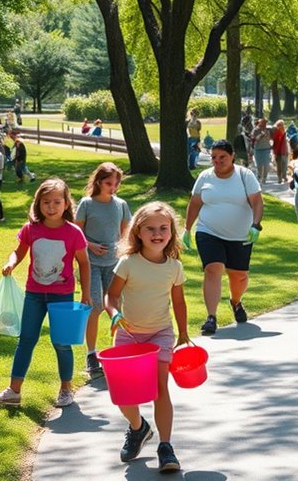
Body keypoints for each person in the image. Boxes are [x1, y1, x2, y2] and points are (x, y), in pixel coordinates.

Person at [0, 178, 90, 408]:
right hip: (34, 294)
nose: (51, 207)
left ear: (66, 204)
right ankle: (13, 392)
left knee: (62, 343)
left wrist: (86, 292)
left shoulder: (73, 233)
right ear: (38, 204)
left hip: (62, 296)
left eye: (56, 202)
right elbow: (18, 252)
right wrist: (11, 263)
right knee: (26, 340)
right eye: (46, 202)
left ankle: (66, 389)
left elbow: (84, 263)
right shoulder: (30, 229)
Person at [105, 202, 189, 473]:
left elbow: (179, 302)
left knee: (160, 388)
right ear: (138, 232)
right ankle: (139, 428)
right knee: (124, 396)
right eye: (150, 228)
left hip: (160, 333)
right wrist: (114, 313)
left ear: (171, 233)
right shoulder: (128, 263)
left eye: (163, 228)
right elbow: (112, 295)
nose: (157, 233)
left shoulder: (174, 266)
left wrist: (184, 331)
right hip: (129, 334)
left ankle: (165, 446)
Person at [184, 139, 264, 333]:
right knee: (213, 269)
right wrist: (187, 229)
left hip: (240, 236)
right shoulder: (205, 177)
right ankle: (211, 317)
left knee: (239, 277)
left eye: (222, 157)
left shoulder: (245, 176)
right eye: (214, 157)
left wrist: (255, 225)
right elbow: (195, 203)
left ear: (232, 156)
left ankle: (235, 301)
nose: (217, 161)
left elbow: (257, 202)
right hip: (208, 231)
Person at [75, 162, 132, 377]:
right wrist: (90, 245)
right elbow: (76, 233)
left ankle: (124, 350)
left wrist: (124, 252)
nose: (113, 187)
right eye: (109, 183)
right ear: (99, 182)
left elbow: (126, 234)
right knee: (95, 306)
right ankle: (91, 354)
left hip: (115, 264)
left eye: (116, 183)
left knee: (117, 308)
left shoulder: (121, 204)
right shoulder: (87, 204)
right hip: (90, 263)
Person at [251, 118, 273, 184]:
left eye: (265, 123)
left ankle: (264, 178)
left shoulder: (269, 130)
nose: (264, 125)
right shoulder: (255, 130)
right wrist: (261, 135)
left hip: (266, 149)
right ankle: (259, 177)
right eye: (262, 123)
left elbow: (272, 137)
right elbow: (256, 139)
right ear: (259, 123)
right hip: (258, 150)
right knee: (259, 165)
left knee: (266, 165)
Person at [272, 119, 290, 184]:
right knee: (279, 166)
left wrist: (287, 150)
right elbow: (276, 144)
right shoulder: (277, 133)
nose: (282, 126)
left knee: (285, 165)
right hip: (279, 152)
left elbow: (285, 143)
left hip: (284, 151)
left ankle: (284, 176)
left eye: (282, 125)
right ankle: (280, 178)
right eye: (280, 125)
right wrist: (275, 153)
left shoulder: (284, 133)